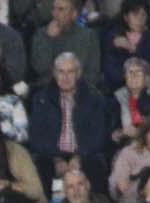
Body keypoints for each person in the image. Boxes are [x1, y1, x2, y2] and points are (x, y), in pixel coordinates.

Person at [27, 52, 109, 195]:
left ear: (78, 73)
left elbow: (98, 136)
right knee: (39, 171)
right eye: (61, 72)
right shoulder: (41, 98)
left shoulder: (94, 98)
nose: (65, 77)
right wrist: (57, 159)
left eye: (70, 72)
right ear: (54, 73)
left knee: (96, 170)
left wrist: (78, 157)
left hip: (84, 154)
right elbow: (36, 137)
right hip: (51, 156)